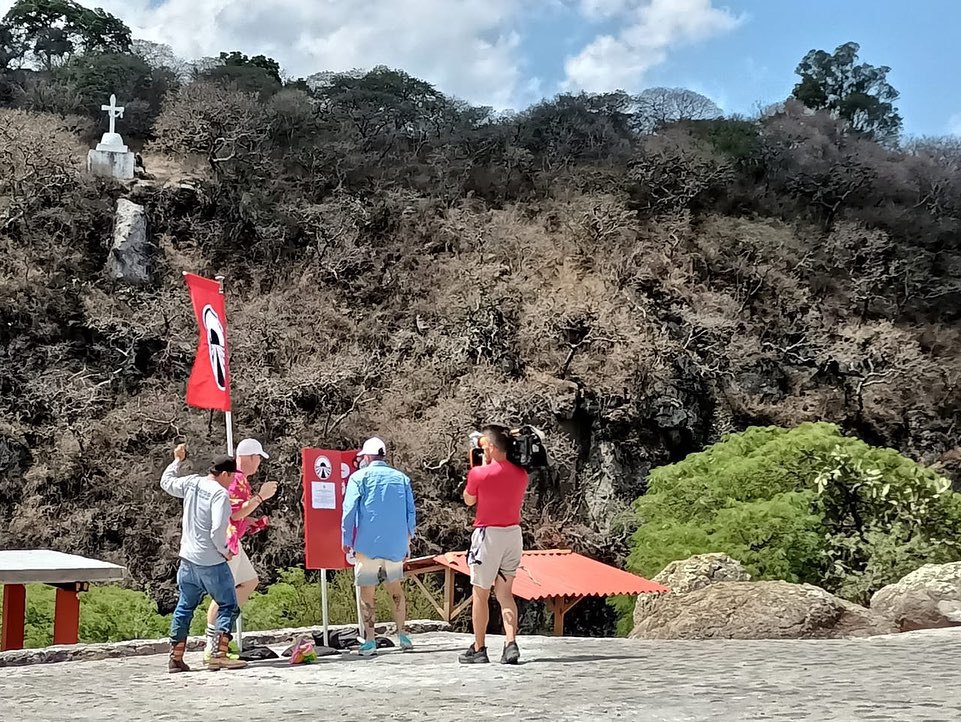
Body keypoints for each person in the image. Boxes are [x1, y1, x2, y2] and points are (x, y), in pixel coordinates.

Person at [161, 443, 247, 672]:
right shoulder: (220, 494)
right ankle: (219, 653)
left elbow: (166, 482)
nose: (232, 482)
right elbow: (218, 529)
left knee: (184, 607)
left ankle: (175, 658)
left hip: (187, 560)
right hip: (211, 561)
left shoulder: (191, 482)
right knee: (228, 604)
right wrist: (224, 550)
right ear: (226, 474)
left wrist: (176, 460)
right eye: (232, 477)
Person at [459, 424, 528, 665]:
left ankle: (480, 648)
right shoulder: (521, 474)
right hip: (513, 534)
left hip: (488, 534)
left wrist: (476, 468)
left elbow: (469, 500)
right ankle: (510, 643)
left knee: (480, 592)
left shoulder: (479, 474)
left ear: (490, 446)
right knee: (505, 594)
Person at [203, 438, 277, 662]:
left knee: (249, 581)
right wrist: (261, 497)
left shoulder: (239, 479)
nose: (259, 464)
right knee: (224, 593)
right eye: (258, 459)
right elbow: (233, 513)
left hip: (235, 540)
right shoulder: (236, 479)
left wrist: (250, 520)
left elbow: (238, 514)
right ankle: (212, 643)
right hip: (228, 543)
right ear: (251, 458)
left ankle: (222, 634)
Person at [341, 437, 417, 656]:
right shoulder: (401, 478)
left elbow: (349, 511)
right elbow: (410, 512)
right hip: (395, 544)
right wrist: (408, 539)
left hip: (367, 544)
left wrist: (346, 540)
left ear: (366, 457)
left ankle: (371, 641)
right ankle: (403, 634)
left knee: (367, 592)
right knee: (396, 589)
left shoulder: (359, 477)